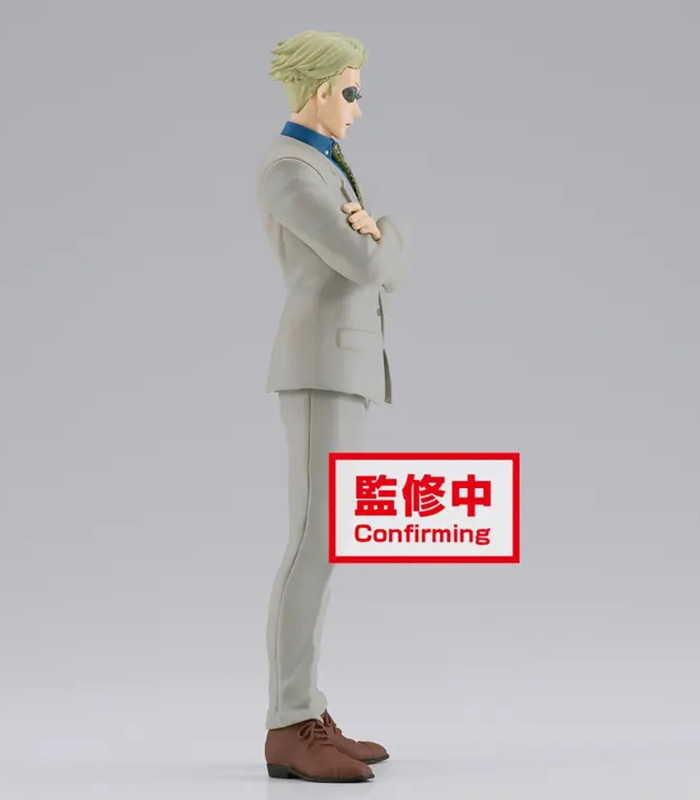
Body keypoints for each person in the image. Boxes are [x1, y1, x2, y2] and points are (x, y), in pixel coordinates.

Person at [256, 29, 410, 783]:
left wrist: (377, 242)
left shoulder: (324, 164)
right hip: (320, 367)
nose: (357, 107)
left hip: (344, 367)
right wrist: (389, 234)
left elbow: (373, 264)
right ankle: (289, 724)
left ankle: (308, 709)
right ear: (320, 89)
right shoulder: (291, 170)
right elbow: (364, 262)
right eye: (351, 91)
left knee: (329, 542)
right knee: (312, 543)